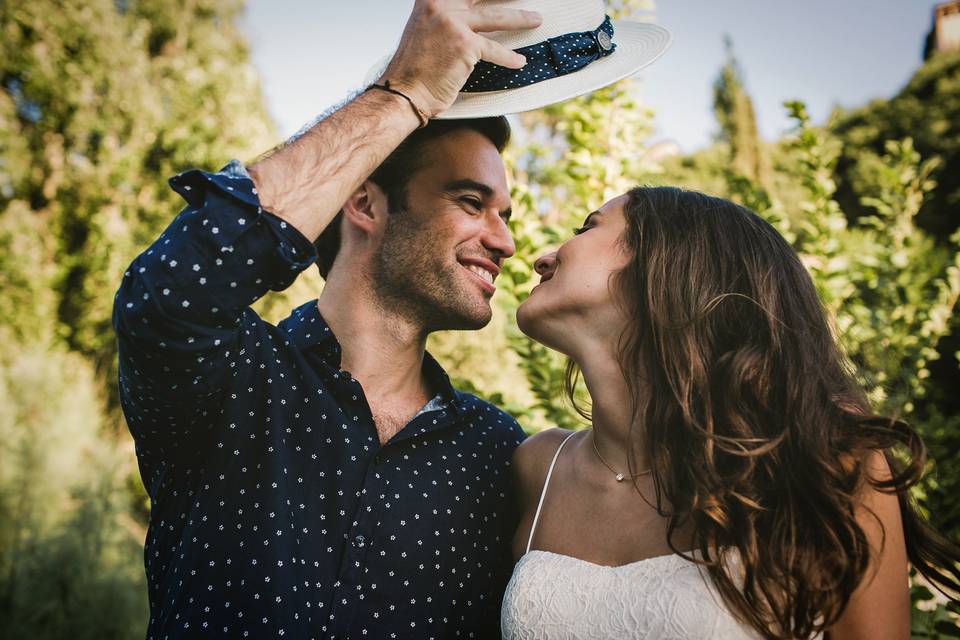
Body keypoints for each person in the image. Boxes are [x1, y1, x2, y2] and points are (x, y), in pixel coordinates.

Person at [112, 1, 670, 638]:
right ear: (365, 203)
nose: (506, 243)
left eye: (505, 217)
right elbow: (171, 287)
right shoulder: (231, 379)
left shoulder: (498, 455)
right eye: (471, 202)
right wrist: (405, 94)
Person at [503, 187, 960, 639]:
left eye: (587, 227)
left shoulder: (829, 459)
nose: (543, 257)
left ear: (671, 263)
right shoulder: (539, 466)